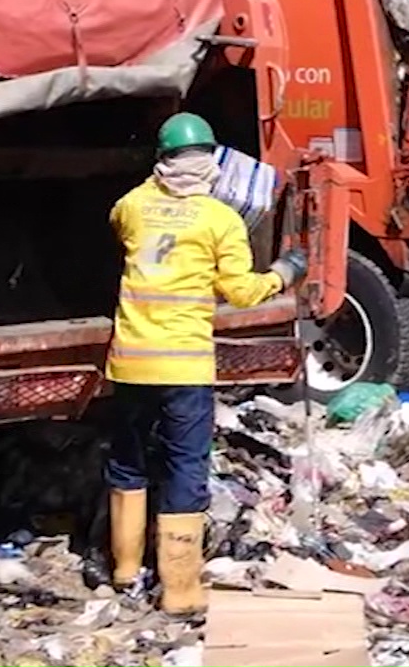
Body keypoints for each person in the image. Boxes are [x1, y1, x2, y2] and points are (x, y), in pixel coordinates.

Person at [104, 111, 307, 615]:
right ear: (211, 163)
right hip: (184, 369)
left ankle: (126, 572)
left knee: (128, 462)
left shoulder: (132, 205)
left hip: (130, 363)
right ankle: (178, 590)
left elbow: (119, 229)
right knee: (184, 469)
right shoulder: (221, 219)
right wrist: (283, 274)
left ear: (163, 160)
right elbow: (239, 292)